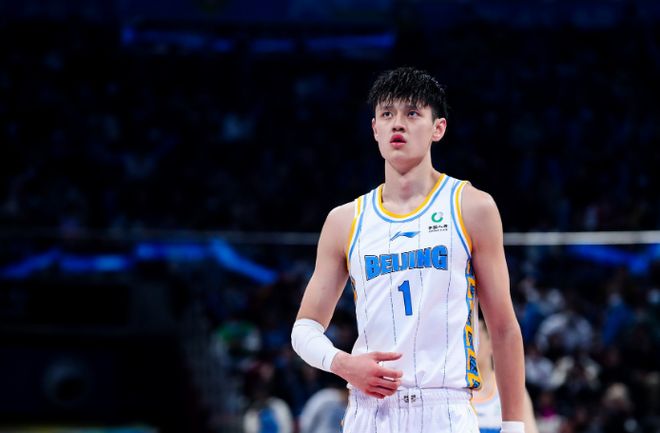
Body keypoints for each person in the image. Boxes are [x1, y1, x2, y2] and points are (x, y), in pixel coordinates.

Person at [291, 67, 526, 433]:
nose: (397, 123)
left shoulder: (472, 207)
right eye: (387, 114)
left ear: (438, 128)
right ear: (375, 129)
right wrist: (343, 364)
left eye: (412, 113)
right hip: (370, 412)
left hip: (444, 411)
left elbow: (504, 328)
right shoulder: (344, 220)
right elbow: (304, 330)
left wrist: (514, 428)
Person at [474, 318, 539, 433]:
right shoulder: (455, 387)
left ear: (491, 344)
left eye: (475, 337)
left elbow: (530, 429)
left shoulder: (512, 388)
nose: (471, 345)